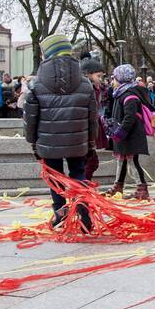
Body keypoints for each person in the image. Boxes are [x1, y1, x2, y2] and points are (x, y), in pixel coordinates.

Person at [23, 34, 96, 231]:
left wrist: (32, 141)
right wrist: (90, 143)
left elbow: (30, 118)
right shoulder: (84, 83)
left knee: (55, 175)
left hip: (48, 140)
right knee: (78, 173)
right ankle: (83, 211)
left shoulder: (36, 84)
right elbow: (92, 118)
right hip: (77, 139)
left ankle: (60, 210)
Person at [106, 64, 155, 200]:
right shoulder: (120, 93)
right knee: (121, 161)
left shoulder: (130, 95)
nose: (112, 81)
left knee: (132, 161)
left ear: (121, 79)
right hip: (124, 135)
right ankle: (118, 186)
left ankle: (142, 188)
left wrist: (121, 132)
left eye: (114, 78)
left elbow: (130, 117)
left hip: (131, 135)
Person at [80, 54, 108, 183]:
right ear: (88, 75)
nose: (100, 80)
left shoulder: (94, 88)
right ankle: (83, 187)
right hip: (85, 129)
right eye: (98, 76)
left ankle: (83, 186)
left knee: (89, 162)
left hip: (89, 127)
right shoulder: (87, 89)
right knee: (91, 162)